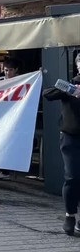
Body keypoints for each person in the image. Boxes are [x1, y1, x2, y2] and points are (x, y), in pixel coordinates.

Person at [43, 53, 80, 235]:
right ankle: (70, 215)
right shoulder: (70, 84)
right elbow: (48, 93)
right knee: (73, 176)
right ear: (78, 66)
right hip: (71, 137)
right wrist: (70, 90)